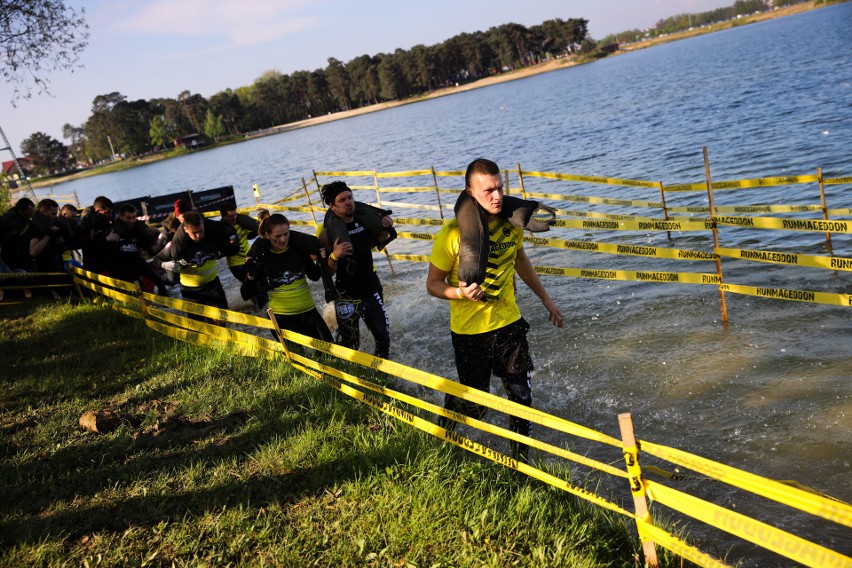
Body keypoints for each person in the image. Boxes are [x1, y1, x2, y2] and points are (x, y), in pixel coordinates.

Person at [426, 158, 564, 462]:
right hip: (469, 333)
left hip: (509, 325)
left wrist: (545, 298)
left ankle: (520, 464)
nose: (497, 196)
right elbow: (433, 284)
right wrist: (459, 292)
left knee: (521, 398)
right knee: (477, 406)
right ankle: (447, 423)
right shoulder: (451, 234)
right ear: (470, 192)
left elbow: (521, 261)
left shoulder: (511, 224)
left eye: (500, 188)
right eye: (488, 190)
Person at [317, 181, 395, 360]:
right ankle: (344, 369)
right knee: (351, 344)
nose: (348, 202)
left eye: (350, 197)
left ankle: (379, 374)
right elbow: (326, 273)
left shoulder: (363, 222)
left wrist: (386, 226)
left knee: (383, 338)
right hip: (346, 295)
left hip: (370, 290)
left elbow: (373, 244)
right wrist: (335, 256)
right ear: (332, 206)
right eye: (342, 200)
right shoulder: (327, 234)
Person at [240, 213, 333, 344]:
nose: (283, 239)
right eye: (278, 236)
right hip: (280, 317)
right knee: (297, 360)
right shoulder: (262, 259)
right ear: (267, 235)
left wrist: (321, 259)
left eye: (286, 234)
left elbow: (315, 276)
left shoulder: (299, 252)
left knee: (330, 353)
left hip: (308, 312)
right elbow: (245, 294)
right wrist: (251, 276)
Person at [153, 211, 239, 309]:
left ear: (203, 225)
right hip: (189, 290)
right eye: (194, 233)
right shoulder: (176, 245)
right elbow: (156, 261)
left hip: (212, 285)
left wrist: (233, 241)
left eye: (201, 231)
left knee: (223, 321)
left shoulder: (213, 237)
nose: (199, 236)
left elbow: (231, 249)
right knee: (199, 323)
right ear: (185, 229)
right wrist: (165, 265)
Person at [107, 203, 168, 294]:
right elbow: (102, 250)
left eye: (133, 217)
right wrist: (107, 240)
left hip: (136, 260)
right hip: (120, 265)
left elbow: (151, 251)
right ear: (121, 217)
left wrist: (158, 233)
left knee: (159, 281)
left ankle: (164, 305)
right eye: (128, 218)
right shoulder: (114, 229)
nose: (131, 221)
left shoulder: (139, 227)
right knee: (139, 289)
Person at [219, 201, 259, 282]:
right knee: (251, 284)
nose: (234, 218)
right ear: (223, 216)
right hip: (236, 265)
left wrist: (258, 230)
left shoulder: (241, 223)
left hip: (249, 259)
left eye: (235, 214)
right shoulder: (221, 229)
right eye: (230, 216)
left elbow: (248, 236)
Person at [78, 195, 115, 274]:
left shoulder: (103, 216)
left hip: (107, 258)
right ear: (98, 211)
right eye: (107, 212)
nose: (110, 215)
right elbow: (88, 244)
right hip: (94, 263)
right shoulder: (88, 220)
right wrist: (106, 239)